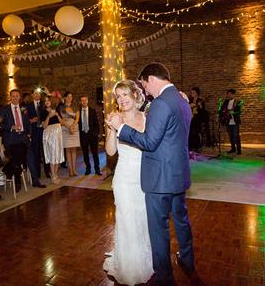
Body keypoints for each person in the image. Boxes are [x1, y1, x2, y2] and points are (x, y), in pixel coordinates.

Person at [108, 63, 195, 285]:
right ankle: (187, 259)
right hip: (175, 174)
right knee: (180, 220)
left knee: (158, 228)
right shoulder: (182, 101)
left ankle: (164, 278)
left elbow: (149, 141)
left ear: (150, 79)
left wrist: (121, 129)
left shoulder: (159, 105)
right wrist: (114, 128)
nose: (146, 91)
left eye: (145, 85)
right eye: (118, 96)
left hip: (157, 178)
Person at [103, 80, 153, 285]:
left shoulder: (147, 118)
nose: (121, 100)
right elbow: (110, 151)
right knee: (126, 220)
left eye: (125, 95)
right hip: (124, 178)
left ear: (135, 95)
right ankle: (128, 266)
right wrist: (111, 129)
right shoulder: (115, 118)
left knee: (142, 220)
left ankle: (144, 261)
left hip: (145, 178)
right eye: (118, 97)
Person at [0, 89, 45, 190]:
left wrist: (29, 133)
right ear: (10, 97)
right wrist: (12, 127)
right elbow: (1, 124)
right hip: (11, 138)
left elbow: (28, 123)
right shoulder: (5, 109)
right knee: (15, 160)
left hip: (24, 137)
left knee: (30, 158)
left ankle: (35, 181)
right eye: (13, 96)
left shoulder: (23, 108)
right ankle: (17, 182)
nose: (15, 98)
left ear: (19, 97)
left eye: (17, 96)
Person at [27, 89, 49, 180]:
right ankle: (38, 173)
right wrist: (31, 120)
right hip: (34, 132)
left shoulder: (44, 104)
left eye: (39, 93)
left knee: (45, 152)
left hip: (44, 130)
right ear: (32, 95)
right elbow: (24, 120)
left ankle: (48, 172)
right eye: (35, 93)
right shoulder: (28, 106)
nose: (37, 95)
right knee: (35, 153)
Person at [42, 96, 64, 184]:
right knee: (52, 154)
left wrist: (57, 115)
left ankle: (55, 173)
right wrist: (49, 116)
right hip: (49, 134)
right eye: (45, 101)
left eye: (48, 100)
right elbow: (44, 126)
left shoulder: (56, 110)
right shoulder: (43, 112)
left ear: (51, 101)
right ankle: (53, 175)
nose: (47, 102)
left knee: (57, 154)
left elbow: (61, 123)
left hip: (57, 133)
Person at [58, 92, 80, 177]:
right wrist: (68, 127)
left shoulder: (75, 107)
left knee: (74, 150)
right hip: (65, 129)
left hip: (74, 129)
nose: (70, 98)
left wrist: (72, 127)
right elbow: (61, 120)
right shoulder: (61, 107)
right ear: (65, 98)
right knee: (68, 150)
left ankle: (74, 170)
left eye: (71, 96)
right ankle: (70, 170)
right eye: (68, 96)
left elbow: (77, 118)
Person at [79, 95, 101, 176]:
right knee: (85, 153)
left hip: (92, 135)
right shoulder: (79, 112)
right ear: (80, 102)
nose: (84, 102)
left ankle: (97, 169)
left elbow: (97, 123)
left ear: (87, 101)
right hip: (83, 135)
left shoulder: (92, 111)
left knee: (95, 153)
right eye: (82, 100)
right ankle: (88, 169)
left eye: (85, 100)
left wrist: (97, 134)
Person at [219, 89, 243, 155]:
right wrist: (224, 112)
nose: (229, 95)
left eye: (230, 94)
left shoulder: (238, 102)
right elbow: (221, 110)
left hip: (235, 121)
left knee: (236, 135)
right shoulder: (226, 102)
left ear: (233, 94)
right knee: (231, 136)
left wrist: (233, 112)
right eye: (228, 94)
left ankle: (239, 150)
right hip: (228, 121)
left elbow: (239, 112)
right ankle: (233, 148)